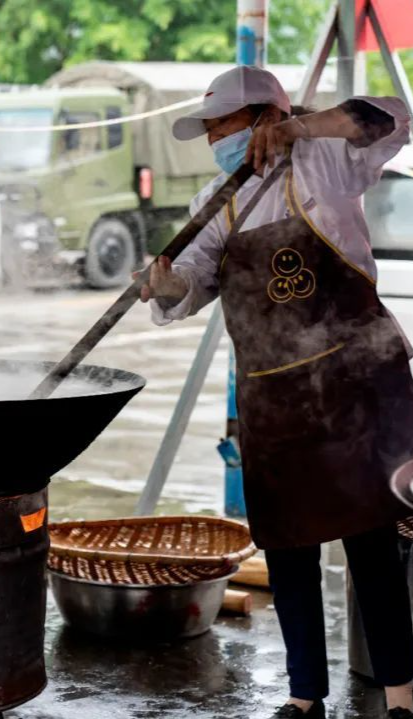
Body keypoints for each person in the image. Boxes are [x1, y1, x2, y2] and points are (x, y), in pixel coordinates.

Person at [142, 65, 413, 719]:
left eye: (222, 125)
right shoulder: (217, 201)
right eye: (208, 131)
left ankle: (401, 693)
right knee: (289, 548)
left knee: (369, 543)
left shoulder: (322, 162)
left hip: (353, 387)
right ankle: (303, 694)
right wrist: (164, 284)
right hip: (275, 401)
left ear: (265, 117)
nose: (214, 140)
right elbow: (191, 285)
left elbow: (395, 115)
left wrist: (304, 126)